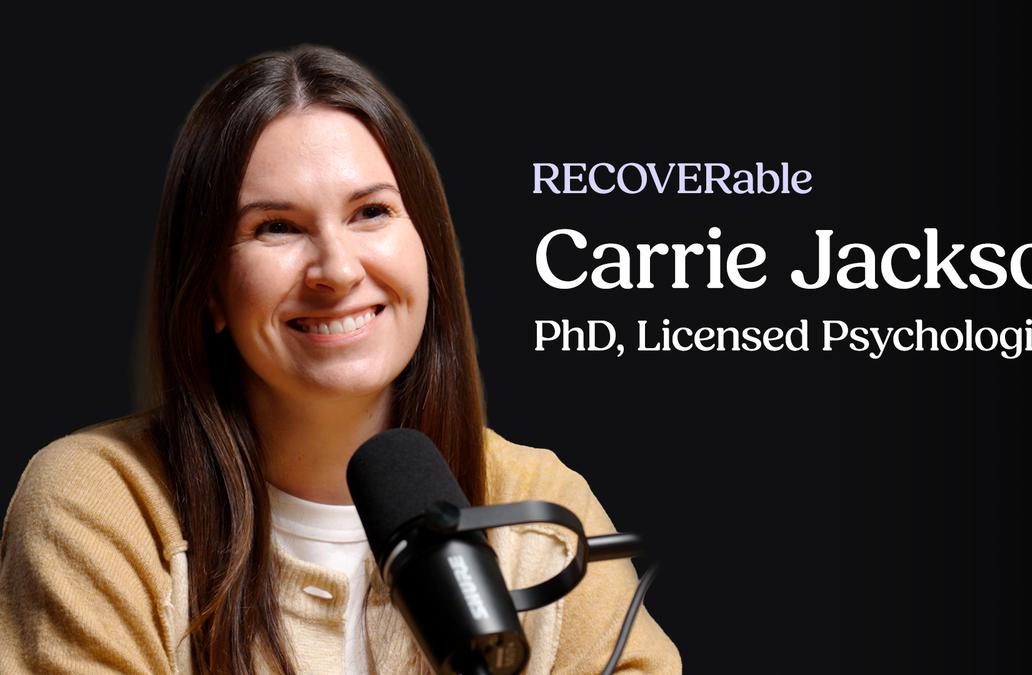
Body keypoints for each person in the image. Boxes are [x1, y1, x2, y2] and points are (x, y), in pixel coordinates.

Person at [0, 44, 681, 674]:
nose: (335, 269)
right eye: (277, 227)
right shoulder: (99, 507)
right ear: (208, 289)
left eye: (371, 213)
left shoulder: (541, 511)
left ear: (428, 252)